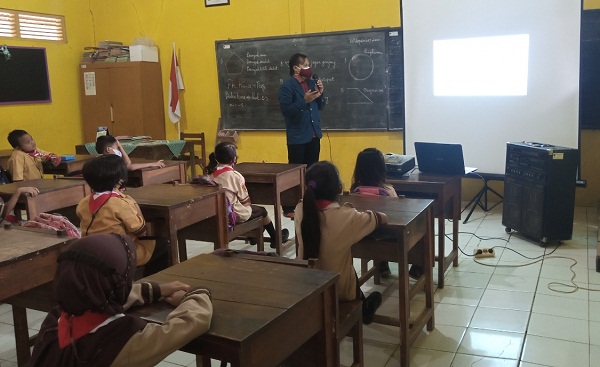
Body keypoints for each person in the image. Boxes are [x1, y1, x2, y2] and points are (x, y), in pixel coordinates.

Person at [30, 233, 213, 366]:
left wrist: (157, 290)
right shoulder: (123, 343)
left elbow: (102, 297)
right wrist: (196, 293)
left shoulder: (56, 319)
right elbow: (191, 323)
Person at [294, 160, 386, 324]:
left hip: (306, 286)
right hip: (338, 292)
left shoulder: (300, 209)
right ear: (338, 188)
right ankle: (364, 309)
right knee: (346, 268)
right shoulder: (347, 216)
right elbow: (380, 218)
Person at [76, 154, 168, 276]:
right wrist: (133, 203)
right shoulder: (121, 203)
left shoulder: (83, 203)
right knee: (162, 246)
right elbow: (141, 231)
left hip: (91, 252)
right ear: (120, 180)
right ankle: (148, 284)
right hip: (117, 254)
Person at [350, 147, 425, 280]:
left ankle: (382, 265)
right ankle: (418, 267)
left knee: (376, 226)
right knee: (423, 224)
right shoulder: (387, 191)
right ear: (381, 168)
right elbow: (399, 216)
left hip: (363, 235)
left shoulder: (354, 192)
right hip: (391, 238)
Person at [205, 142, 289, 248]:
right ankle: (274, 237)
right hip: (232, 215)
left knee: (249, 210)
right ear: (234, 159)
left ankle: (253, 236)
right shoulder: (235, 176)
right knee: (261, 210)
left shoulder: (210, 174)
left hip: (216, 214)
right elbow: (245, 202)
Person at [278, 53, 325, 218]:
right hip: (298, 136)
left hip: (313, 134)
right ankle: (290, 206)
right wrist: (303, 101)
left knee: (313, 172)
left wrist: (321, 93)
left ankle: (311, 202)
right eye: (305, 64)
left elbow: (320, 106)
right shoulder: (287, 87)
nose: (308, 67)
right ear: (295, 68)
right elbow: (287, 111)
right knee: (295, 173)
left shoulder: (311, 82)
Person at [96, 135, 165, 171]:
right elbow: (129, 166)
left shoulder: (99, 160)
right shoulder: (110, 161)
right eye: (117, 148)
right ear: (108, 150)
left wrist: (119, 146)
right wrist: (152, 164)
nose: (118, 150)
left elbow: (128, 164)